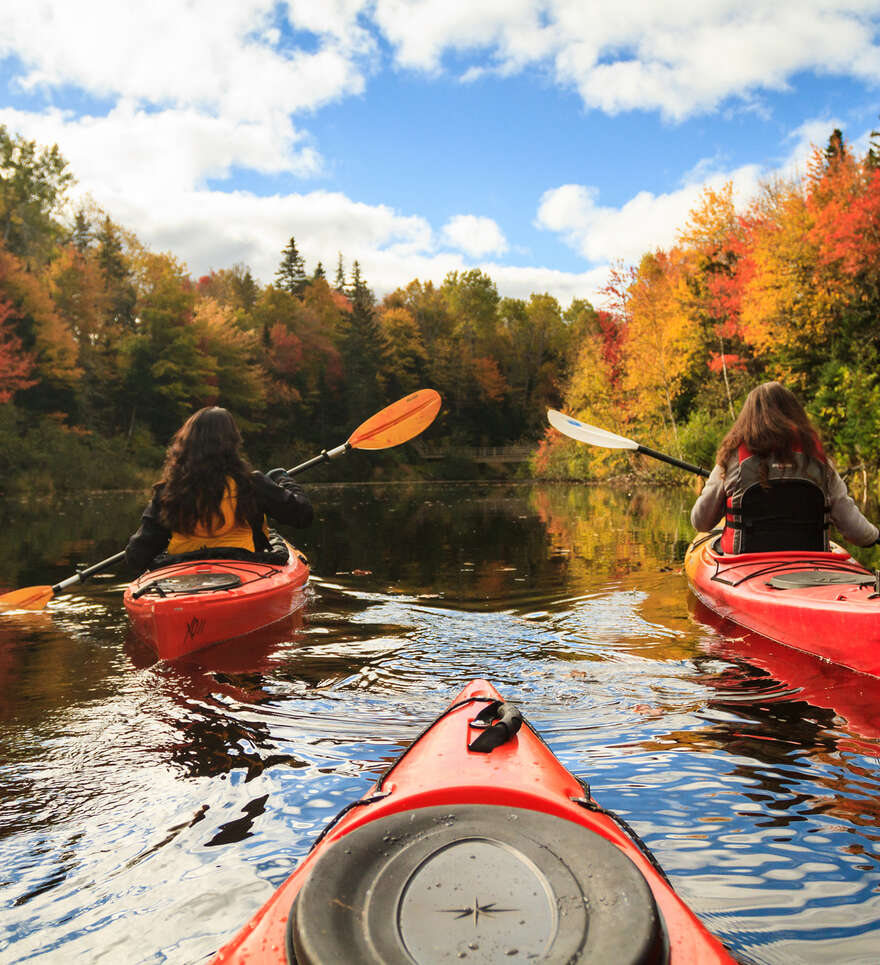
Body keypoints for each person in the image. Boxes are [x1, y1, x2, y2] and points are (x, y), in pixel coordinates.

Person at [691, 381, 879, 554]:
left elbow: (701, 521)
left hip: (743, 565)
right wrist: (874, 536)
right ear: (795, 414)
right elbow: (856, 531)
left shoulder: (733, 459)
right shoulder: (820, 461)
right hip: (812, 566)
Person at [125, 406, 313, 572]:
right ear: (232, 443)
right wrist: (283, 479)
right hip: (246, 569)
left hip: (182, 576)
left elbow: (136, 558)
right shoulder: (251, 483)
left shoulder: (168, 491)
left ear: (186, 444)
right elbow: (303, 515)